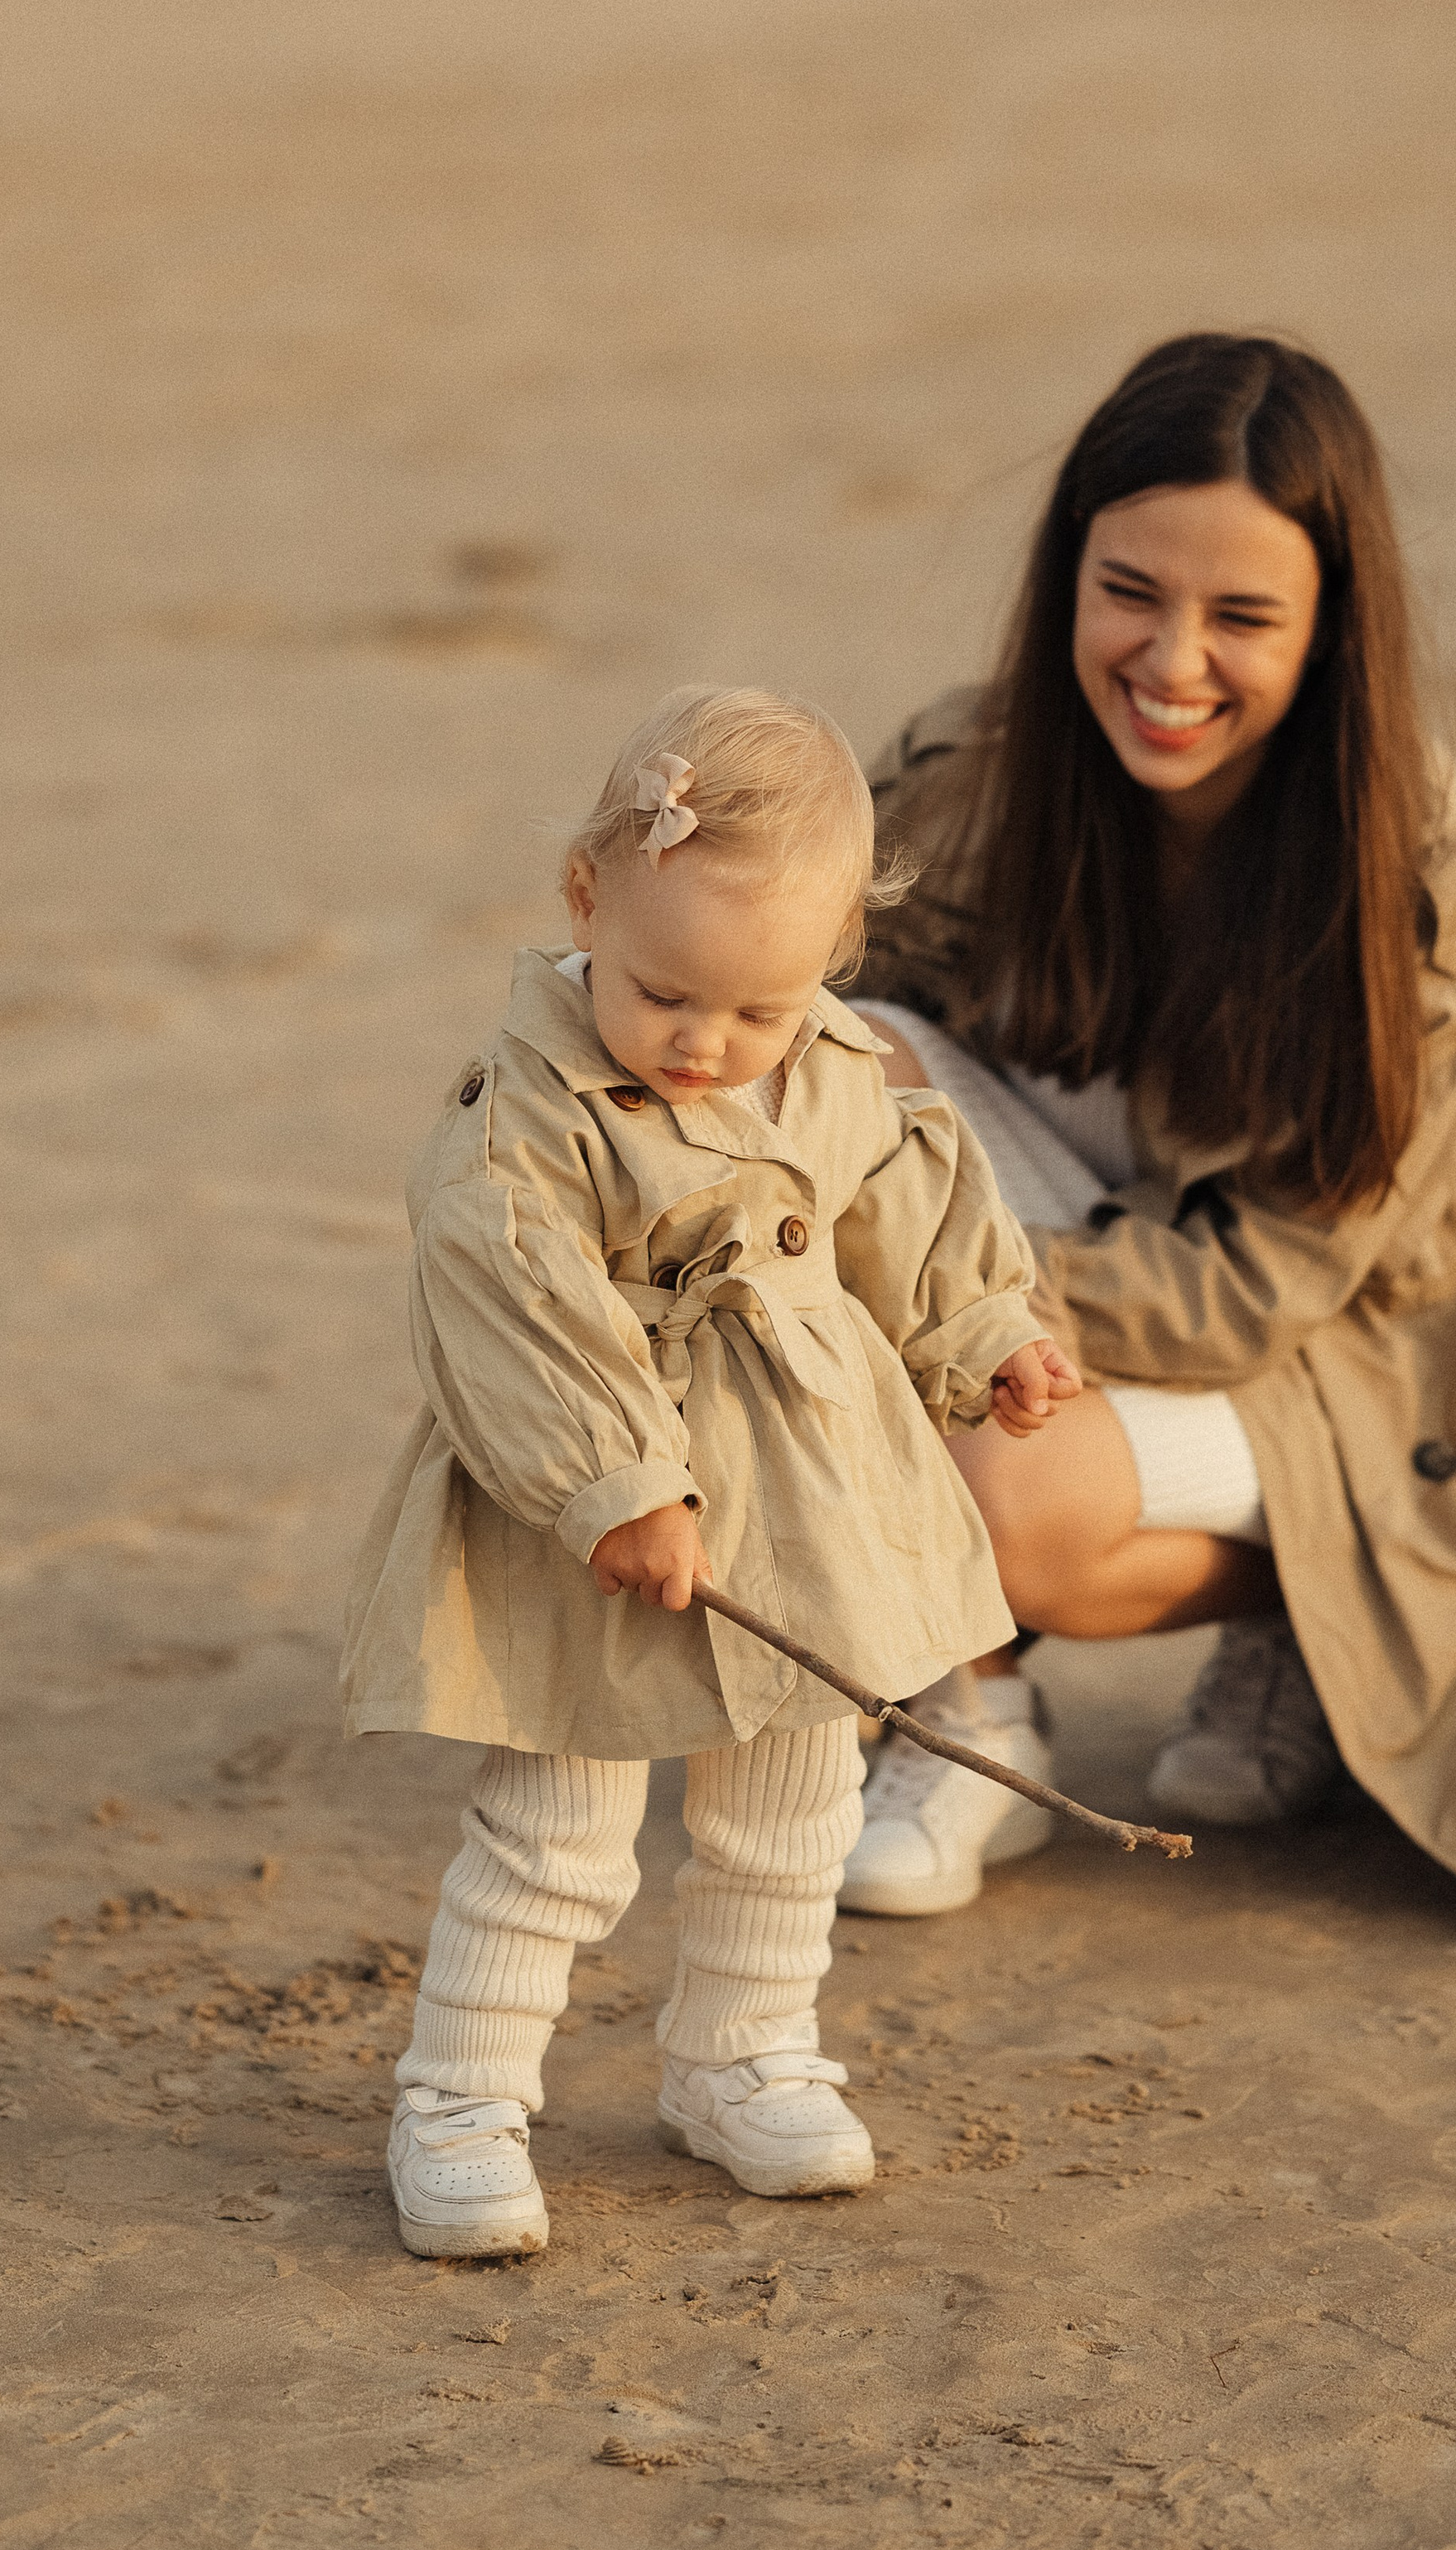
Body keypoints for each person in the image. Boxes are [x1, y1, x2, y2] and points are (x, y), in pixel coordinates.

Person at [839, 330, 1456, 1981]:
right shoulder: (970, 774)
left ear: (1330, 626)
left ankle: (1307, 1609)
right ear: (1065, 574)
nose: (1172, 661)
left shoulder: (1431, 865)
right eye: (1129, 592)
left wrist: (957, 1302)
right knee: (822, 1080)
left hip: (1351, 1341)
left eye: (1242, 616)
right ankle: (976, 1718)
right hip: (1078, 1250)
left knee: (1014, 1505)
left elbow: (1256, 1291)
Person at [341, 687, 1078, 2258]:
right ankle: (460, 2100)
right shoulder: (524, 1119)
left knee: (796, 1804)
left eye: (757, 1010)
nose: (705, 1044)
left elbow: (906, 1215)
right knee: (559, 1828)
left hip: (804, 1496)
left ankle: (741, 2060)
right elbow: (512, 1300)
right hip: (599, 1518)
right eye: (666, 993)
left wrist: (987, 1334)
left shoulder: (829, 1065)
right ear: (586, 898)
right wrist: (615, 1481)